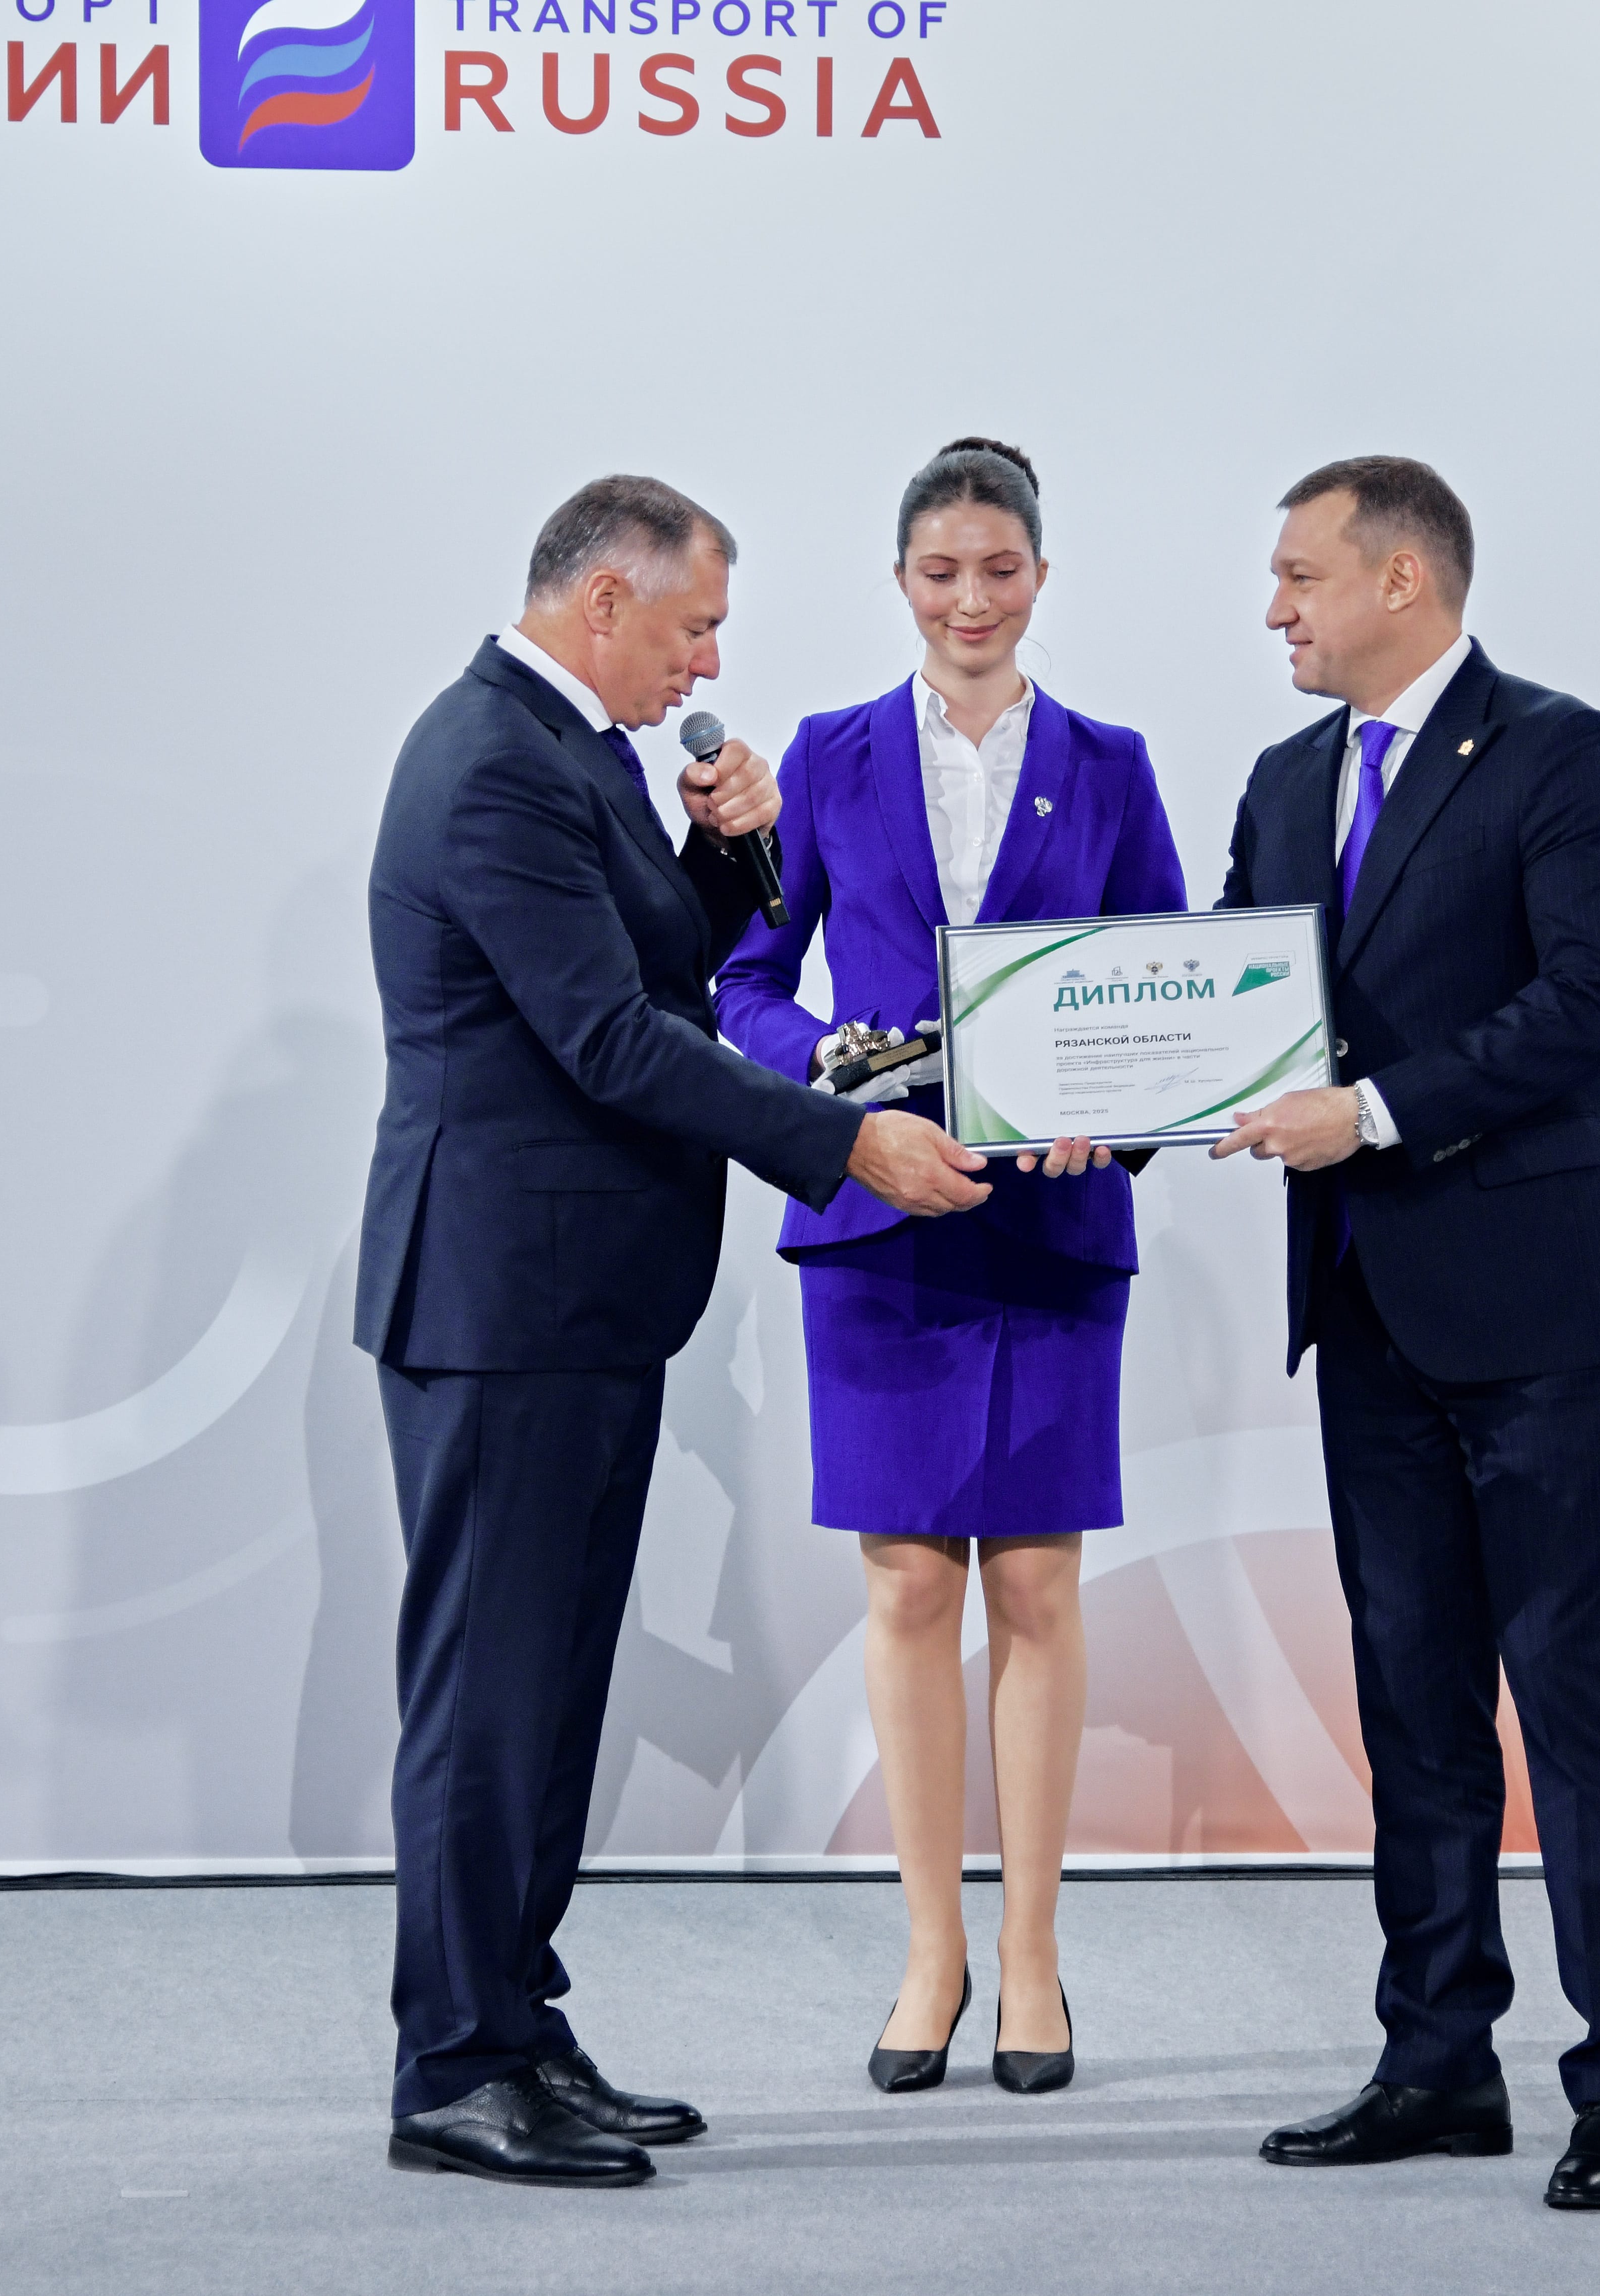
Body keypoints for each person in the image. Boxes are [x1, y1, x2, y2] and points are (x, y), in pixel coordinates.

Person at [355, 474, 996, 2188]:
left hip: (578, 1302)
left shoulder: (571, 754)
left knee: (551, 1691)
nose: (709, 662)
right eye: (697, 626)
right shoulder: (493, 760)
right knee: (489, 1695)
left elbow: (655, 973)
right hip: (501, 1303)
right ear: (605, 602)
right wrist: (843, 1143)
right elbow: (609, 1043)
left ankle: (517, 2027)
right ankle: (454, 2067)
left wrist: (728, 857)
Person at [1210, 456, 1600, 2209]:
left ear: (1401, 579)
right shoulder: (1285, 782)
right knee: (1413, 1702)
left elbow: (1594, 1001)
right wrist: (1092, 1098)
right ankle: (1436, 2061)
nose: (1275, 607)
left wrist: (1380, 1113)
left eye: (1300, 575)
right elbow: (1225, 1007)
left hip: (1538, 1302)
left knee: (1571, 1692)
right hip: (1364, 1307)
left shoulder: (1558, 752)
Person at [714, 440, 1186, 2097]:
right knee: (910, 1583)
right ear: (901, 580)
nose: (970, 600)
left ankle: (1034, 1957)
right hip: (880, 1220)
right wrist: (833, 1076)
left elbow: (1166, 992)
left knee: (1038, 1584)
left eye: (998, 570)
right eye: (940, 573)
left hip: (1051, 1225)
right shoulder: (826, 756)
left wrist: (1114, 1117)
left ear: (1039, 577)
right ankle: (934, 1951)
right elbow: (745, 982)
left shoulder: (1113, 766)